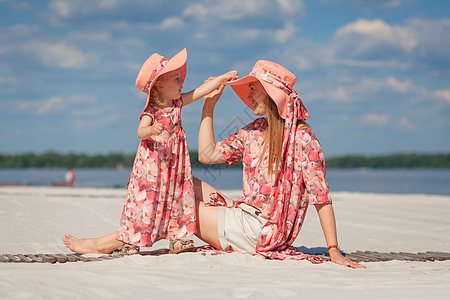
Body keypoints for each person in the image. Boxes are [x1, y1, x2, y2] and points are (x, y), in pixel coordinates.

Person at [64, 59, 365, 269]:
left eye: (253, 87)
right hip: (243, 217)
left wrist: (333, 250)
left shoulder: (302, 138)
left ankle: (107, 242)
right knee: (178, 184)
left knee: (170, 200)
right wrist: (209, 106)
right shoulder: (253, 131)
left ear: (272, 95)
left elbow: (320, 197)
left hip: (259, 233)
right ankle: (120, 238)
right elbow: (207, 155)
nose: (248, 94)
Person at [64, 48, 237, 254]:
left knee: (179, 198)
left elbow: (200, 91)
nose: (182, 82)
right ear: (159, 86)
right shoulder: (152, 111)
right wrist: (151, 130)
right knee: (145, 204)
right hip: (152, 169)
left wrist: (222, 79)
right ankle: (133, 240)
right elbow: (140, 131)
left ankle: (178, 237)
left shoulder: (177, 105)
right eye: (176, 78)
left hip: (174, 167)